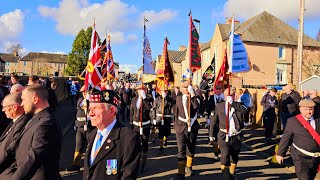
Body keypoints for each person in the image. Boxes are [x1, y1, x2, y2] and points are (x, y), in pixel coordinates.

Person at [83, 90, 141, 179]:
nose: (90, 113)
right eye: (90, 109)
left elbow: (128, 176)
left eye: (96, 108)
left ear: (112, 110)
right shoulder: (92, 135)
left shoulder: (128, 138)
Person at [11, 84, 62, 179]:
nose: (21, 104)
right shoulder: (36, 118)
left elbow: (34, 157)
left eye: (24, 100)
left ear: (35, 99)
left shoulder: (47, 123)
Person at [277, 99, 320, 180]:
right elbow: (286, 138)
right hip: (300, 157)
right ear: (300, 109)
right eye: (306, 109)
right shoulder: (293, 121)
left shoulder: (318, 119)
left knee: (311, 177)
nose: (308, 112)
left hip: (316, 157)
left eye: (310, 109)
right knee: (304, 178)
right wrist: (280, 153)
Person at [210, 87, 247, 180]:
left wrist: (233, 103)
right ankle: (226, 177)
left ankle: (231, 174)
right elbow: (214, 121)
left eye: (231, 95)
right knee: (225, 156)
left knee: (234, 157)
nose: (229, 96)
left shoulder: (239, 105)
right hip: (223, 136)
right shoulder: (219, 106)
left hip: (236, 136)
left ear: (235, 95)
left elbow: (244, 111)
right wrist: (211, 135)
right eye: (227, 95)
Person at [0, 93, 32, 178]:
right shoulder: (16, 120)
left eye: (5, 106)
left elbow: (11, 149)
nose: (3, 110)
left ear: (14, 106)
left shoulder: (23, 122)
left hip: (10, 172)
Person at [173, 81, 199, 179]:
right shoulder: (178, 98)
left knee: (191, 148)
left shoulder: (195, 98)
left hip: (192, 127)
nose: (185, 89)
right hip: (180, 127)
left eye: (187, 87)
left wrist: (192, 95)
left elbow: (196, 107)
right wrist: (175, 124)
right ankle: (181, 174)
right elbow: (176, 111)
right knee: (181, 150)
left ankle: (189, 166)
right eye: (184, 87)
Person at [66, 86, 93, 171]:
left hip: (89, 126)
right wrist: (75, 123)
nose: (84, 93)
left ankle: (90, 165)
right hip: (79, 126)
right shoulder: (80, 100)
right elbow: (77, 112)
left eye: (86, 92)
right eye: (83, 92)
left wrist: (88, 102)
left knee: (90, 146)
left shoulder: (92, 101)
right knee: (79, 145)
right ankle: (76, 164)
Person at [130, 84, 152, 172]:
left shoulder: (149, 99)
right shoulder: (134, 99)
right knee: (135, 144)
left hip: (145, 125)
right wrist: (131, 123)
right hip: (136, 125)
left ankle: (144, 164)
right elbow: (131, 111)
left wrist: (145, 98)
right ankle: (136, 163)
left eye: (143, 89)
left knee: (145, 144)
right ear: (137, 91)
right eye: (139, 90)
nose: (141, 91)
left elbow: (149, 108)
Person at [150, 88, 173, 153]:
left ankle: (165, 139)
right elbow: (154, 109)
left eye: (165, 91)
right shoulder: (157, 99)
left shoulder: (170, 99)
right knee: (161, 132)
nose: (164, 92)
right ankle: (161, 146)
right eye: (163, 91)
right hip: (159, 118)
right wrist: (154, 118)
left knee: (167, 131)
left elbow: (171, 107)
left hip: (167, 118)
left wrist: (165, 99)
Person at [207, 83, 225, 161]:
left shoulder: (224, 98)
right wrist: (210, 113)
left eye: (219, 89)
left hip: (222, 120)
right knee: (214, 138)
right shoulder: (211, 97)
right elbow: (207, 107)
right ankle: (216, 153)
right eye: (217, 89)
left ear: (221, 90)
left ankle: (221, 151)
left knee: (221, 137)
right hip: (213, 119)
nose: (218, 91)